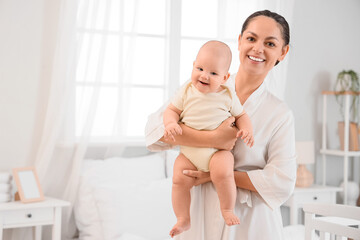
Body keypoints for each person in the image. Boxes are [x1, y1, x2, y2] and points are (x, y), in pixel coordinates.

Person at [145, 9, 296, 240]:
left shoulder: (280, 114)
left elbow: (282, 181)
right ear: (239, 41)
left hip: (250, 221)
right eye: (251, 38)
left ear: (283, 53)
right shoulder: (202, 83)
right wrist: (212, 139)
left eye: (270, 43)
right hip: (199, 213)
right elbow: (155, 130)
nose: (258, 49)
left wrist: (216, 175)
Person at [164, 40, 254, 237]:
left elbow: (241, 116)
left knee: (223, 173)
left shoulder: (228, 95)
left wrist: (247, 130)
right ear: (193, 65)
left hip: (218, 153)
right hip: (189, 153)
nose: (204, 75)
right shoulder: (186, 90)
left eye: (213, 73)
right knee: (178, 180)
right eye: (200, 68)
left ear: (225, 77)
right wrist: (171, 123)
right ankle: (182, 218)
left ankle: (227, 209)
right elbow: (171, 110)